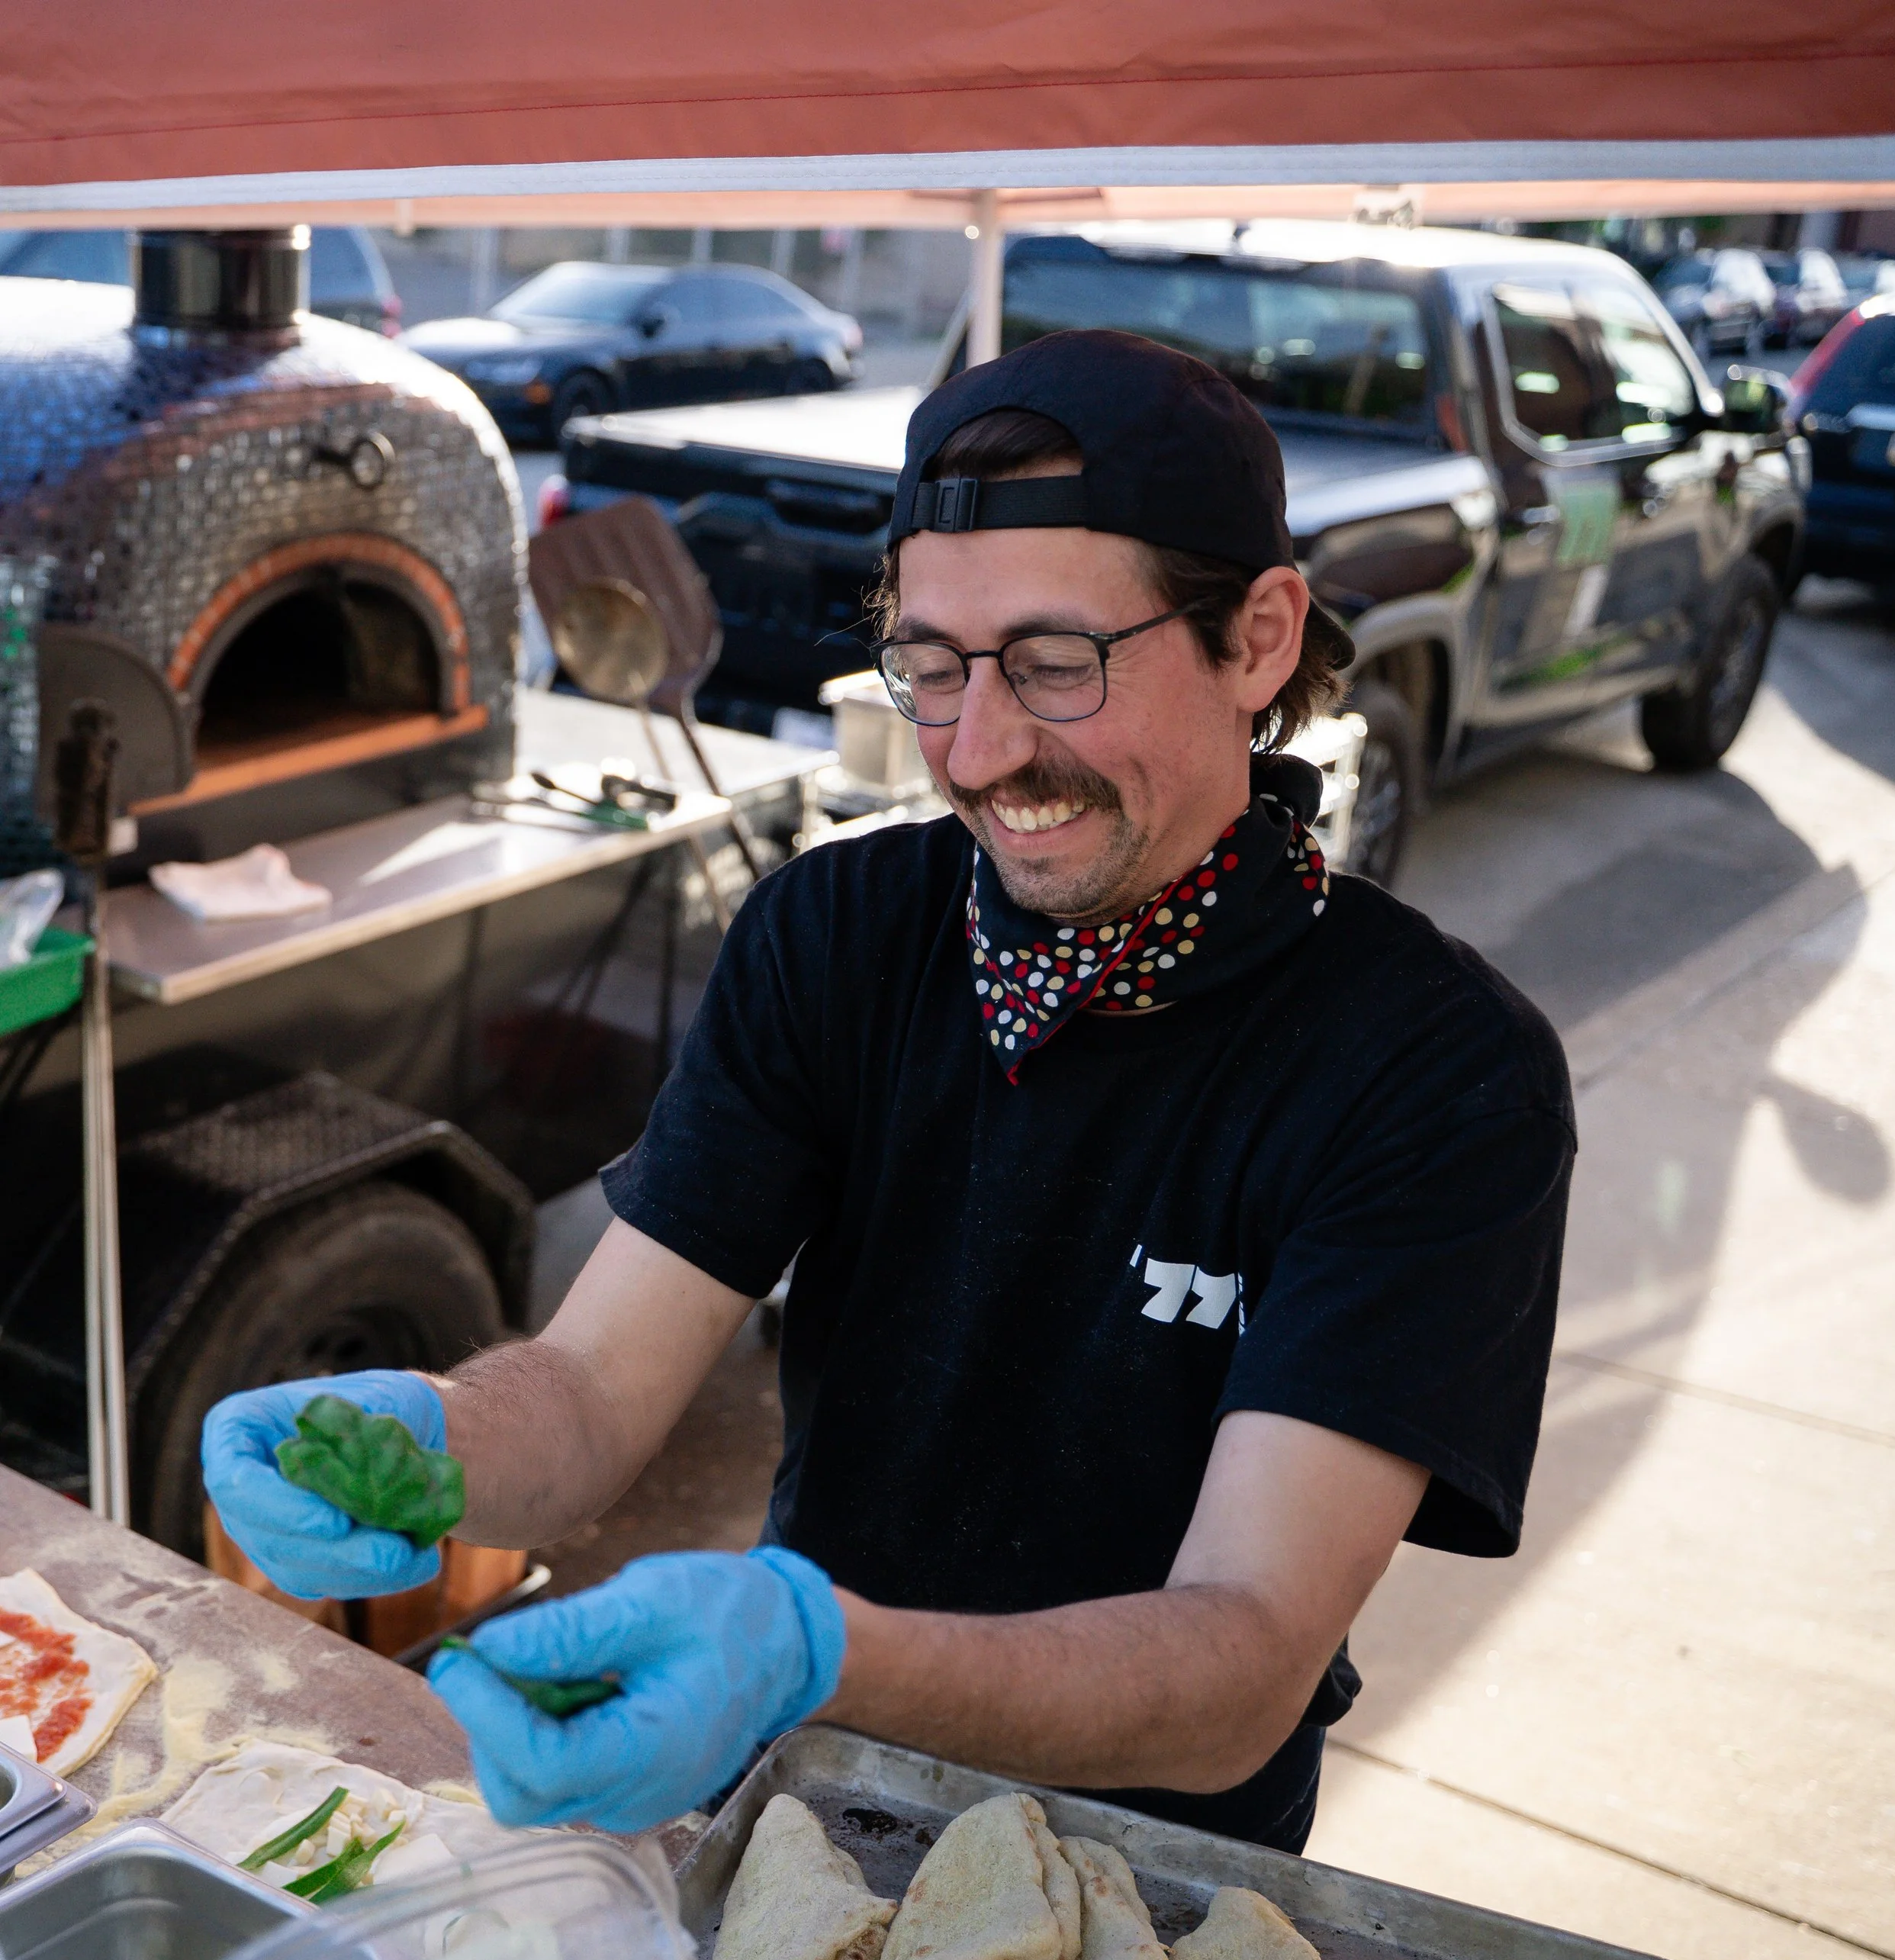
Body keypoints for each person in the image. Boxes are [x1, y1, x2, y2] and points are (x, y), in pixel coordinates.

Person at [204, 330, 1575, 1852]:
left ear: (1256, 637)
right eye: (928, 668)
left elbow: (1239, 1651)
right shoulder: (833, 935)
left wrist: (815, 1644)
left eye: (1056, 665)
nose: (980, 752)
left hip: (1157, 1869)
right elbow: (592, 1392)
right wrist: (426, 1433)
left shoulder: (1431, 1071)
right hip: (803, 1797)